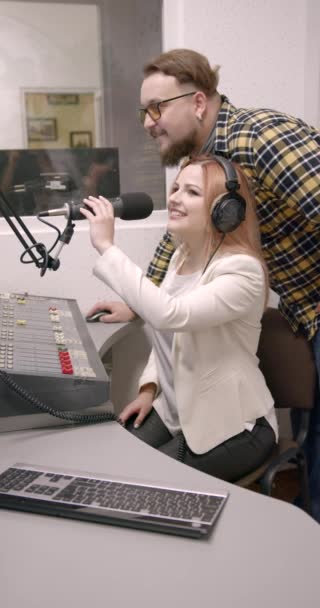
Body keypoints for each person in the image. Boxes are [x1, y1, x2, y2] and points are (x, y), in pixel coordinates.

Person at [87, 48, 320, 518]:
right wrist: (138, 304)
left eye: (157, 108)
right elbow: (173, 257)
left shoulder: (260, 137)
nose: (148, 122)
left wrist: (109, 251)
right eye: (143, 112)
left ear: (197, 102)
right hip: (304, 308)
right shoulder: (205, 160)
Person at [81, 155, 278, 481]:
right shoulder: (182, 256)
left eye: (191, 192)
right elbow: (172, 336)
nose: (175, 198)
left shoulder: (243, 270)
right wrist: (148, 390)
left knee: (142, 485)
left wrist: (106, 246)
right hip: (175, 410)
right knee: (111, 467)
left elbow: (171, 315)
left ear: (225, 208)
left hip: (234, 426)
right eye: (175, 188)